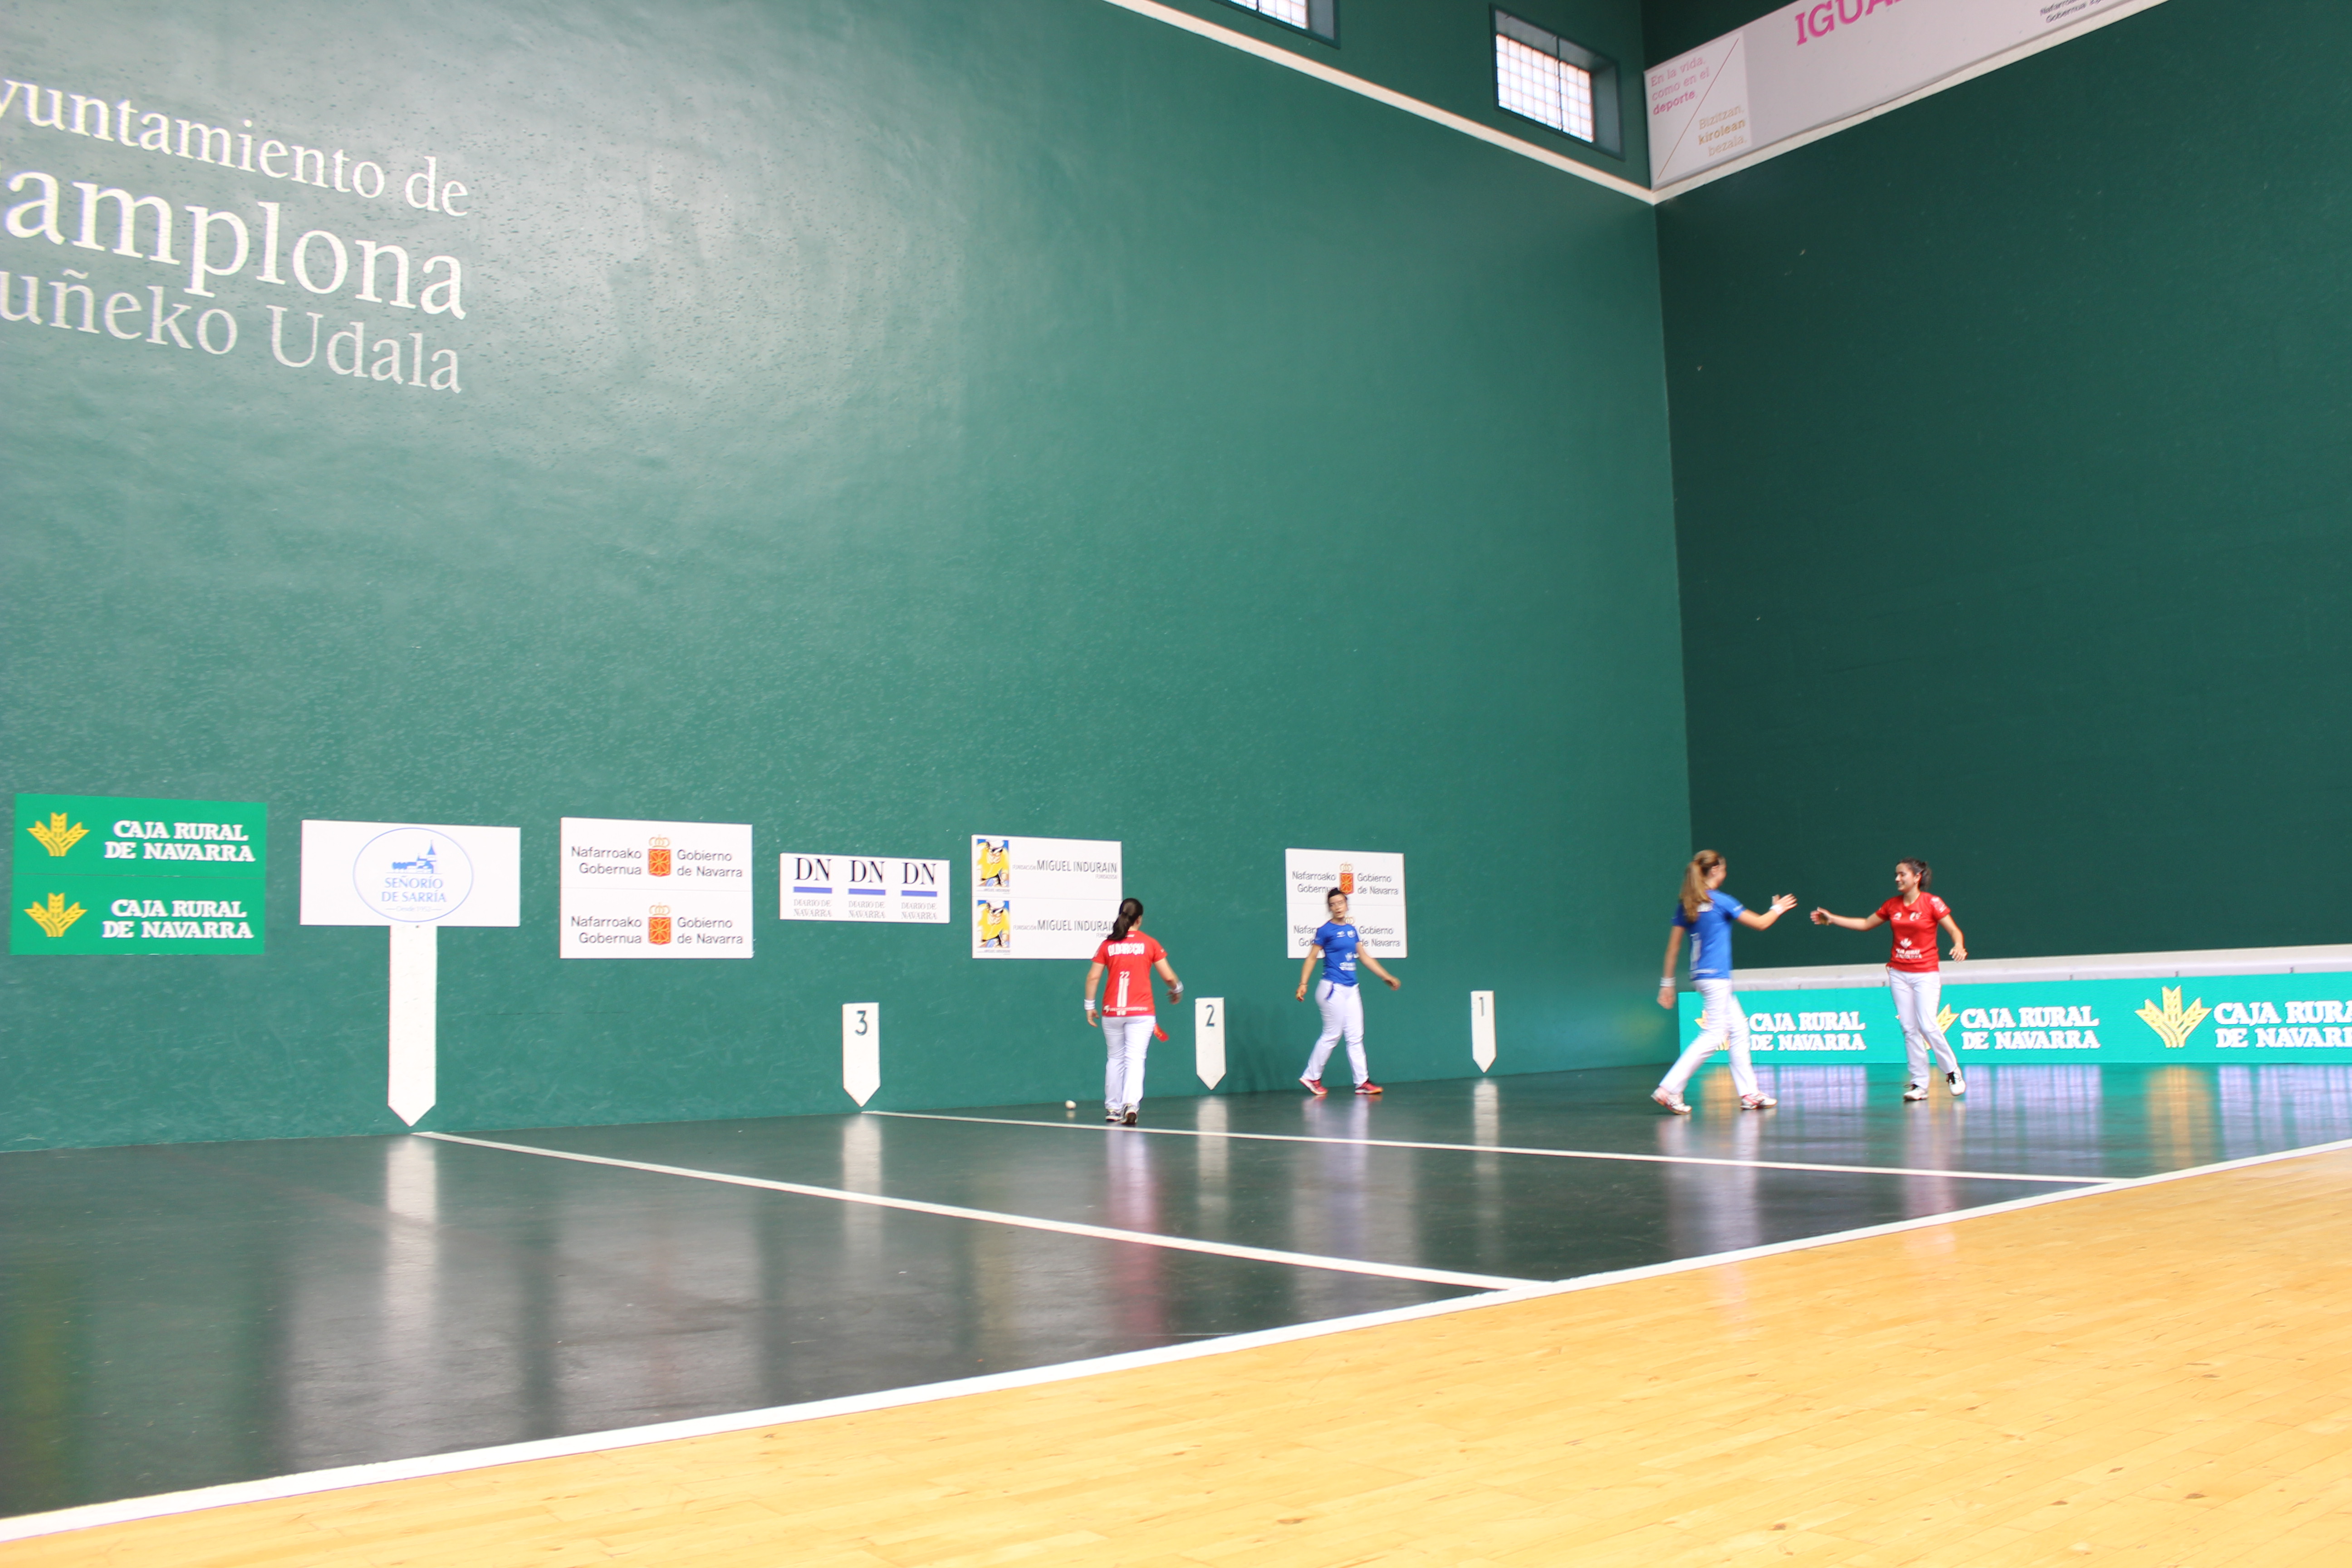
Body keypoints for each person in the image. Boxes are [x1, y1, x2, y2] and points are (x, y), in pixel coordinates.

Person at [1812, 859, 1969, 1102]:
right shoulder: (1892, 905)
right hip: (1899, 974)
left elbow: (1954, 930)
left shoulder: (1932, 903)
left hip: (1926, 974)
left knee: (1928, 1025)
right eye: (1896, 874)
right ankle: (1920, 1084)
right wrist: (1832, 919)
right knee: (1909, 1028)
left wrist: (1959, 945)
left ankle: (1952, 1072)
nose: (1897, 879)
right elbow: (1866, 924)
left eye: (1902, 874)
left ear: (1917, 877)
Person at [1653, 851, 1797, 1114]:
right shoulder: (1721, 901)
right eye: (1724, 869)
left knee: (1739, 1029)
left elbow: (1672, 949)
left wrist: (1667, 983)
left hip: (1701, 977)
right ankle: (1669, 1088)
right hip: (1717, 979)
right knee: (1714, 1034)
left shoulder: (1687, 903)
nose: (1726, 873)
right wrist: (1778, 909)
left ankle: (1750, 1094)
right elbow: (1760, 924)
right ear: (1715, 870)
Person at [1084, 897, 1182, 1126]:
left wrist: (1090, 1006)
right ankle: (1131, 1106)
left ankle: (1112, 1108)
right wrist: (1177, 989)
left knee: (1115, 1058)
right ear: (1139, 919)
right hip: (1141, 1013)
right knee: (1135, 1059)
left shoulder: (1108, 945)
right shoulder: (1149, 943)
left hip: (1112, 1013)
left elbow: (1093, 976)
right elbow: (1168, 977)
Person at [1295, 888, 1401, 1096]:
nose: (1338, 907)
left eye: (1341, 903)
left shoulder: (1352, 931)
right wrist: (1303, 983)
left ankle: (1362, 1082)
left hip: (1352, 989)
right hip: (1332, 988)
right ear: (1329, 908)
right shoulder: (1325, 931)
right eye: (1333, 904)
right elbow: (1312, 957)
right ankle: (1311, 1077)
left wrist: (1385, 976)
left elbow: (1364, 957)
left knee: (1355, 1037)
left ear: (1346, 905)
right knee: (1332, 1034)